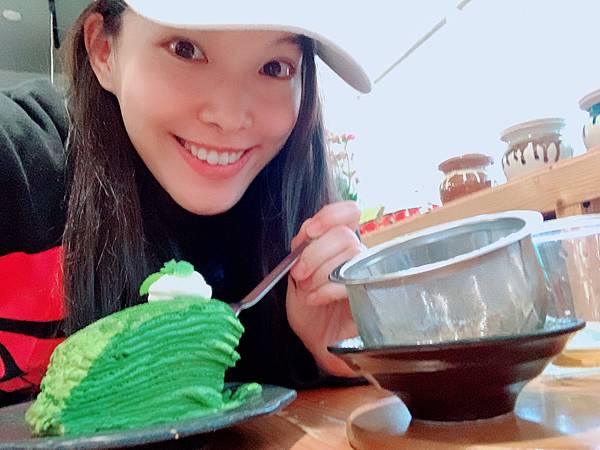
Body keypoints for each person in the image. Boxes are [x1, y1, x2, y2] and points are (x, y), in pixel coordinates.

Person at [0, 0, 371, 406]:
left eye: (274, 67)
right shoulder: (24, 165)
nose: (229, 117)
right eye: (185, 49)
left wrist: (339, 354)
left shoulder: (296, 226)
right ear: (104, 50)